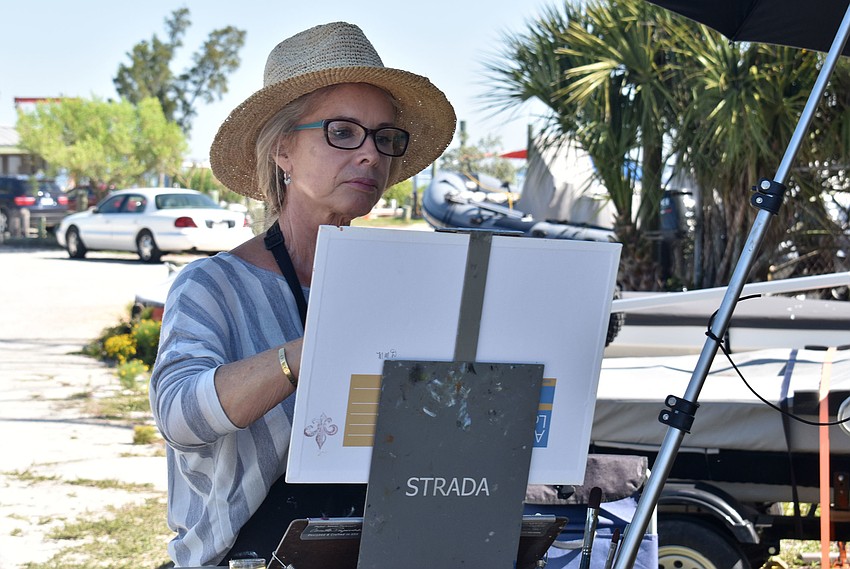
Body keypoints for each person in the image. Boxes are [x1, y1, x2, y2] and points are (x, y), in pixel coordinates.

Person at [149, 21, 456, 567]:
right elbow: (178, 417)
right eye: (342, 132)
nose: (370, 155)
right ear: (283, 150)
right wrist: (316, 348)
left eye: (384, 137)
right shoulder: (212, 286)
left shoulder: (401, 287)